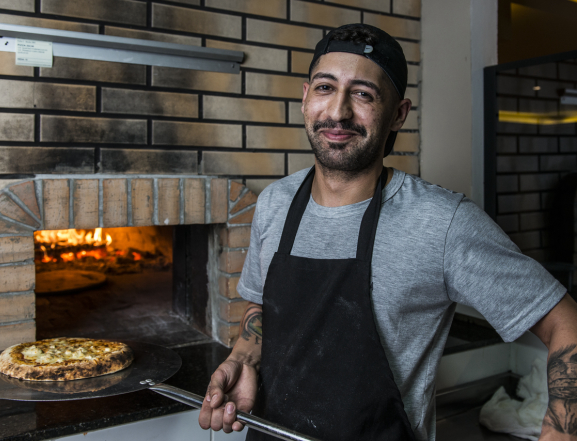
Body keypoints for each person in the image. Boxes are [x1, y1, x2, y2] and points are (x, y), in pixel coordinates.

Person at [198, 23, 577, 441]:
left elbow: (567, 324)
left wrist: (560, 433)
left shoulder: (442, 221)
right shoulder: (274, 203)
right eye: (325, 87)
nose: (338, 112)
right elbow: (260, 308)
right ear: (306, 99)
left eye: (363, 94)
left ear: (398, 114)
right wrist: (244, 358)